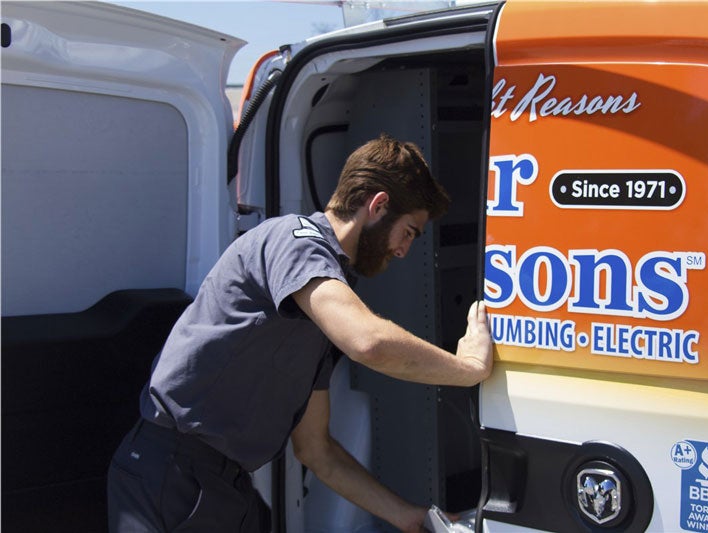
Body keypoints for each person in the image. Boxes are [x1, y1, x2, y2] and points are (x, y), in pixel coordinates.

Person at [107, 134, 493, 532]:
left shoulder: (322, 294)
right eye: (409, 231)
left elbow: (316, 449)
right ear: (378, 206)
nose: (403, 250)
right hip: (172, 474)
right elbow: (368, 342)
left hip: (221, 484)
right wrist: (467, 368)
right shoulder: (295, 242)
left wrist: (403, 514)